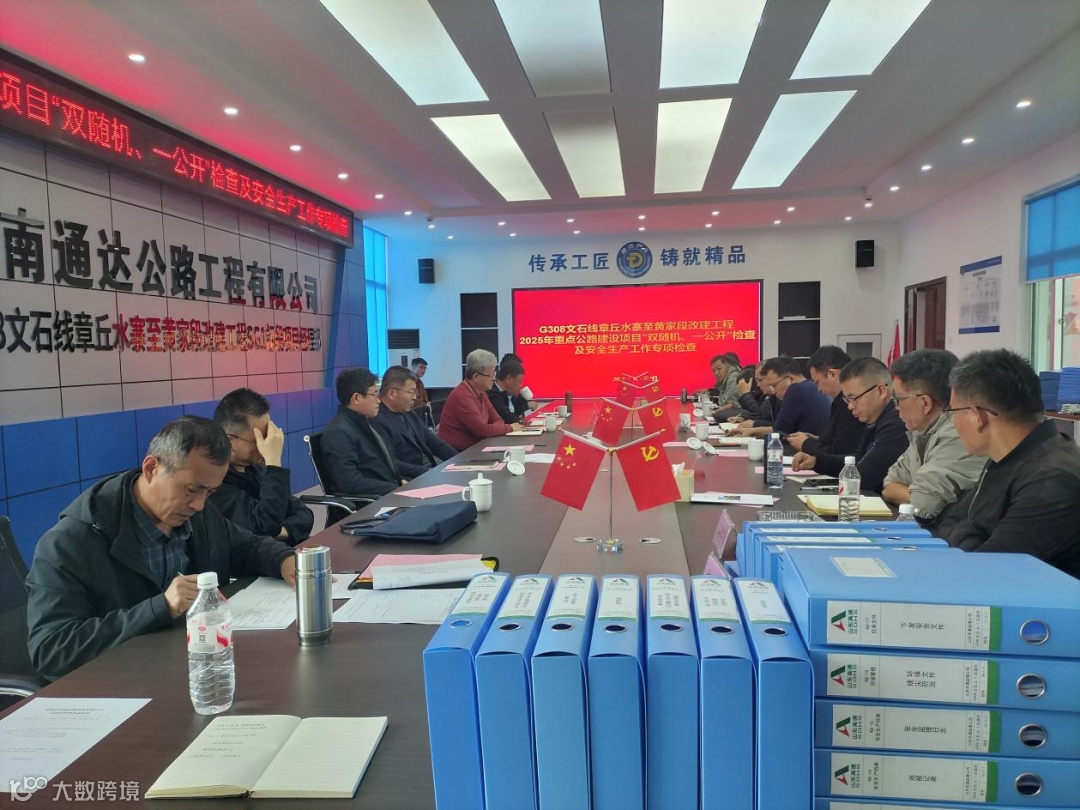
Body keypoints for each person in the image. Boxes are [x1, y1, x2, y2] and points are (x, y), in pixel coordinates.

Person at [25, 416, 297, 681]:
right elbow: (52, 651)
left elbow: (246, 545)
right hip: (117, 686)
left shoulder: (197, 515)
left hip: (187, 670)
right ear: (151, 469)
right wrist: (161, 607)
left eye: (210, 492)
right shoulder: (70, 543)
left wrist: (284, 561)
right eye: (191, 489)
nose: (200, 504)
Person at [935, 350, 1080, 577]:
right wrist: (969, 533)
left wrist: (965, 532)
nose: (953, 423)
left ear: (977, 416)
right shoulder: (1009, 457)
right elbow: (950, 521)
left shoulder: (1052, 478)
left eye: (953, 412)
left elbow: (991, 570)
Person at [881, 349, 985, 527]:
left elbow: (921, 507)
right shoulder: (922, 432)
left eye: (898, 399)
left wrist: (912, 496)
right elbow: (890, 484)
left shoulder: (957, 435)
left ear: (925, 403)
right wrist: (913, 495)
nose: (896, 407)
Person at [211, 388, 314, 546]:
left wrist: (282, 532)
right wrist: (273, 462)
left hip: (281, 552)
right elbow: (265, 526)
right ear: (229, 441)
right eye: (259, 439)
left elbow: (303, 513)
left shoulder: (255, 469)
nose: (267, 444)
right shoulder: (214, 483)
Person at [791, 357, 908, 493]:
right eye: (847, 400)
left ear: (880, 391)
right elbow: (857, 459)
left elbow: (864, 474)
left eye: (853, 398)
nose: (850, 406)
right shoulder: (875, 419)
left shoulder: (896, 422)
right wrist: (816, 461)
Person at [322, 368, 408, 497]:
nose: (378, 400)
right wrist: (395, 489)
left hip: (388, 491)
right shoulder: (338, 432)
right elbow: (350, 483)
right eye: (374, 394)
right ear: (356, 398)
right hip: (373, 502)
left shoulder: (364, 422)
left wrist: (400, 482)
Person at [372, 365, 458, 475]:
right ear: (392, 393)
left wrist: (460, 461)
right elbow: (392, 463)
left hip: (429, 468)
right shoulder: (376, 419)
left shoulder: (409, 413)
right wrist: (430, 473)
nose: (415, 397)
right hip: (412, 476)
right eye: (411, 392)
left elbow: (436, 443)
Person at [787, 345, 865, 456]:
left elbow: (840, 453)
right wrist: (818, 440)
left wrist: (806, 444)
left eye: (818, 382)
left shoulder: (851, 404)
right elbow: (838, 439)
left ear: (833, 374)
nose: (818, 389)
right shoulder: (838, 402)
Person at [733, 356, 830, 437]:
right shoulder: (809, 387)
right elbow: (780, 427)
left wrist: (753, 431)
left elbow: (779, 432)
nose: (773, 391)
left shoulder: (796, 390)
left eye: (774, 386)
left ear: (790, 380)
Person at [437, 349, 514, 451]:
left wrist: (493, 429)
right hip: (457, 454)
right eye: (490, 375)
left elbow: (498, 420)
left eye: (494, 373)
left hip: (475, 448)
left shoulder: (481, 392)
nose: (494, 379)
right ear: (476, 377)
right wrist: (510, 428)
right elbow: (482, 430)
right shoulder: (462, 396)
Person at [487, 357, 529, 425]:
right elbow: (506, 416)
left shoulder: (511, 394)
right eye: (519, 382)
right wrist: (520, 421)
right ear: (509, 379)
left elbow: (519, 414)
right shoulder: (492, 394)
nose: (521, 385)